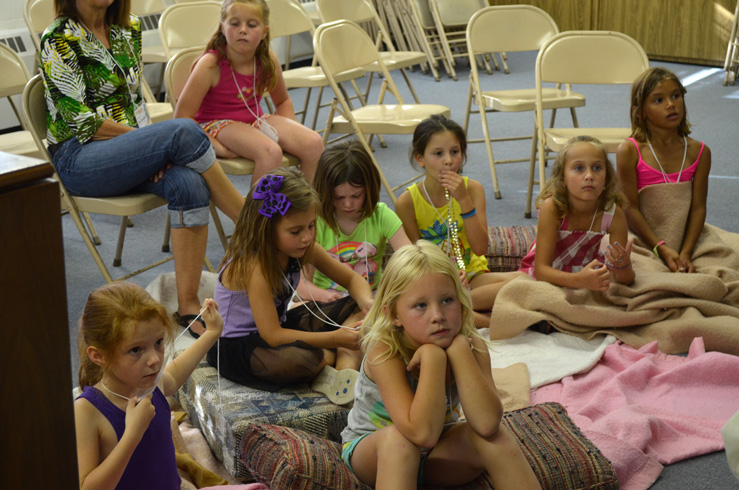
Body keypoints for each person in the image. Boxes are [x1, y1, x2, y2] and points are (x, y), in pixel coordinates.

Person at [40, 0, 245, 334]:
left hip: (130, 148)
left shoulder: (128, 27)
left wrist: (147, 151)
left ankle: (188, 304)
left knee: (189, 183)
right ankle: (250, 223)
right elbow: (82, 123)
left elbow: (135, 103)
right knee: (182, 130)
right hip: (80, 158)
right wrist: (150, 145)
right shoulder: (58, 37)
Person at [340, 240, 541, 489]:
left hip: (439, 450)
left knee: (496, 440)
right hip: (376, 453)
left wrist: (458, 352)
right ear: (394, 315)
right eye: (420, 305)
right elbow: (420, 434)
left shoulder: (472, 347)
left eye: (447, 300)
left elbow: (487, 423)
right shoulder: (384, 350)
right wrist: (434, 358)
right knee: (399, 443)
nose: (438, 316)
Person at [206, 168, 374, 404]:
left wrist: (368, 303)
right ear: (267, 229)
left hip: (279, 326)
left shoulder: (302, 246)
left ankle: (343, 370)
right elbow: (273, 336)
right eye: (295, 231)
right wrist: (335, 338)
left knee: (354, 305)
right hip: (238, 346)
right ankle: (331, 359)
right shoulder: (255, 266)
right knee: (298, 360)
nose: (306, 237)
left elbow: (352, 280)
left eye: (311, 226)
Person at [74, 282, 223, 490]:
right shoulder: (86, 412)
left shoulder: (151, 384)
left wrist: (212, 332)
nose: (154, 359)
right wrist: (132, 434)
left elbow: (173, 374)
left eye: (158, 343)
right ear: (99, 356)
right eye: (136, 350)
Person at [174, 0, 323, 184]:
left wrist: (288, 135)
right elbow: (182, 119)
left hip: (254, 121)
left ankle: (307, 210)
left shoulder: (267, 59)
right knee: (271, 152)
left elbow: (283, 101)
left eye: (251, 25)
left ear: (264, 32)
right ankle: (260, 213)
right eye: (235, 24)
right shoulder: (211, 65)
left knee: (314, 143)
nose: (243, 30)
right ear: (223, 27)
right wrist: (216, 147)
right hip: (215, 125)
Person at [396, 114, 521, 327]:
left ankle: (460, 308)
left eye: (455, 152)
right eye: (438, 153)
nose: (449, 160)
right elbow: (415, 261)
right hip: (435, 284)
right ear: (420, 159)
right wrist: (446, 282)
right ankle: (478, 316)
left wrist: (463, 199)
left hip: (473, 276)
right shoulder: (407, 202)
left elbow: (480, 248)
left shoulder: (472, 189)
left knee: (524, 282)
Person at [616, 67, 711, 273]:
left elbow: (698, 209)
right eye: (658, 100)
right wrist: (661, 248)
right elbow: (629, 208)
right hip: (642, 236)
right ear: (640, 112)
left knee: (726, 262)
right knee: (621, 260)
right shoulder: (629, 151)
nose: (671, 105)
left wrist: (685, 253)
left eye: (676, 96)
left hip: (684, 235)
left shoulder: (700, 152)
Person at [298, 140, 412, 303]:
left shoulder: (381, 215)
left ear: (369, 188)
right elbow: (301, 281)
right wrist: (322, 296)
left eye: (356, 196)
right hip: (327, 298)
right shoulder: (315, 221)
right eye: (339, 197)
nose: (348, 204)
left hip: (371, 296)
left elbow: (409, 259)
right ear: (326, 192)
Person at [519, 135, 635, 289]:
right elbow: (541, 271)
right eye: (579, 168)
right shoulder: (553, 208)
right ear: (562, 179)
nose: (589, 176)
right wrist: (578, 280)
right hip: (544, 276)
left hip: (584, 274)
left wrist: (624, 266)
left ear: (606, 178)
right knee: (505, 291)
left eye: (597, 168)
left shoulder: (613, 214)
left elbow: (625, 280)